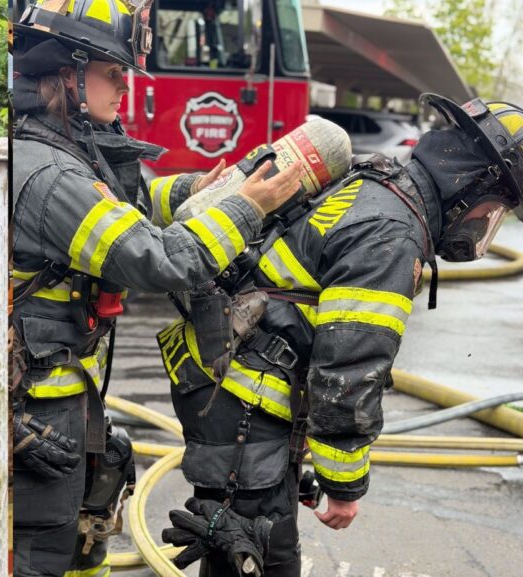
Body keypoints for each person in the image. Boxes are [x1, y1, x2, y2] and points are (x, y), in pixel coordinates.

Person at [158, 94, 523, 577]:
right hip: (248, 407)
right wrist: (344, 485)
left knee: (253, 550)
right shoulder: (393, 233)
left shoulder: (372, 178)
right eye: (493, 208)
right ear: (472, 185)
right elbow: (348, 371)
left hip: (229, 385)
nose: (484, 223)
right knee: (255, 556)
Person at [10, 1, 304, 575]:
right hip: (37, 409)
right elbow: (157, 259)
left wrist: (201, 189)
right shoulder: (49, 174)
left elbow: (129, 211)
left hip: (62, 399)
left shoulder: (65, 148)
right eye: (113, 73)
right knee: (43, 552)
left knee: (87, 527)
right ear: (68, 73)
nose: (125, 89)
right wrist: (245, 211)